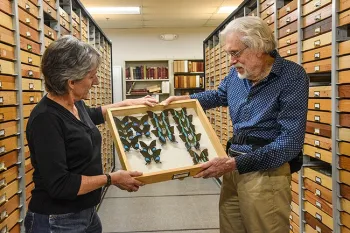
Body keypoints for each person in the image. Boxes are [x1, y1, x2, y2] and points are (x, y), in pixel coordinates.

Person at [162, 16, 309, 233]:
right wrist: (183, 100)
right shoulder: (236, 74)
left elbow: (289, 143)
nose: (231, 61)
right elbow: (218, 95)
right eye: (229, 54)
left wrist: (234, 164)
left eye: (235, 53)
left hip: (265, 174)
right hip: (233, 167)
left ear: (258, 47)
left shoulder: (291, 77)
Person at [24, 35, 158, 233]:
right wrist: (112, 178)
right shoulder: (46, 119)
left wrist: (126, 104)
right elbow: (61, 184)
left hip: (86, 213)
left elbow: (93, 114)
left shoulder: (74, 103)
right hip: (57, 221)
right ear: (71, 82)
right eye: (91, 76)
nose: (95, 81)